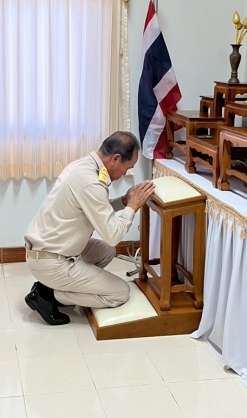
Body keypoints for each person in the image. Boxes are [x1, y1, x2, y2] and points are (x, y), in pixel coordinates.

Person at [23, 131, 155, 325]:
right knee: (120, 293)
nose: (125, 174)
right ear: (115, 159)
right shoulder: (91, 183)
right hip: (51, 261)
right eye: (127, 168)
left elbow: (95, 208)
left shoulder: (83, 167)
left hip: (47, 251)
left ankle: (55, 286)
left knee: (106, 252)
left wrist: (124, 201)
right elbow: (113, 235)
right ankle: (48, 294)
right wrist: (133, 207)